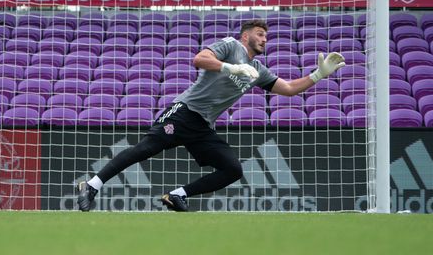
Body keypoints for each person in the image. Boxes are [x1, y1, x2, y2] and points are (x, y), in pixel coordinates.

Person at [77, 19, 345, 212]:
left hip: (204, 126)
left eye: (266, 36)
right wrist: (232, 69)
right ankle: (92, 184)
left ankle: (177, 195)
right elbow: (199, 59)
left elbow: (287, 89)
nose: (264, 39)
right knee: (145, 149)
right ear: (246, 36)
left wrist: (318, 75)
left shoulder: (259, 69)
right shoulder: (230, 46)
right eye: (260, 34)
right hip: (184, 112)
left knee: (233, 169)